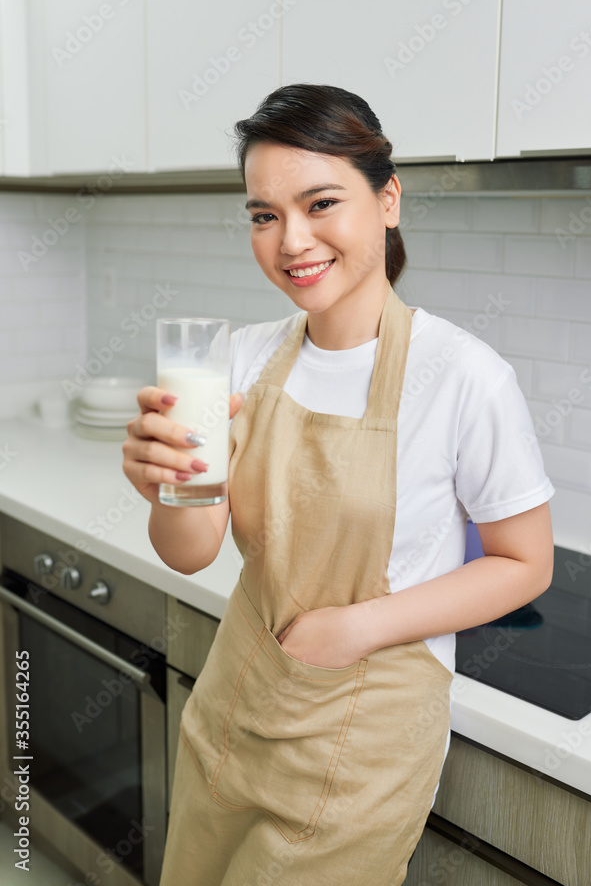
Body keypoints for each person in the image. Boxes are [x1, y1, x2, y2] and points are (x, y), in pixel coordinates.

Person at [122, 83, 555, 886]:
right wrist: (165, 489)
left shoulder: (463, 376)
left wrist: (354, 627)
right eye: (262, 214)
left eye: (321, 202)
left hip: (364, 741)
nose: (291, 240)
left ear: (387, 199)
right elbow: (189, 554)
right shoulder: (240, 359)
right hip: (237, 706)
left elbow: (525, 563)